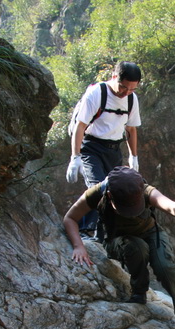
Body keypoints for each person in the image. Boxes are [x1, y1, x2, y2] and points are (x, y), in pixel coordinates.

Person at [63, 166, 175, 329]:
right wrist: (78, 246)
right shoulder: (98, 193)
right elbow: (70, 218)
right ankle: (139, 291)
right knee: (136, 247)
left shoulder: (145, 190)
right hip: (118, 238)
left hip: (151, 233)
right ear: (110, 196)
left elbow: (171, 206)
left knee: (165, 267)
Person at [66, 61, 142, 240]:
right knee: (98, 187)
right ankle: (85, 230)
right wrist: (75, 157)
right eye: (123, 87)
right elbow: (80, 126)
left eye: (132, 89)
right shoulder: (97, 93)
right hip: (91, 147)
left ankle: (102, 236)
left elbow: (131, 129)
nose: (126, 92)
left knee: (115, 191)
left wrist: (134, 156)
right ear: (114, 77)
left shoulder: (131, 99)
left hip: (113, 149)